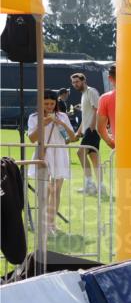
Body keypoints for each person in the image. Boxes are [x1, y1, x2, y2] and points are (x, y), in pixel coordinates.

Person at [27, 90, 74, 235]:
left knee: (56, 191)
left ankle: (52, 223)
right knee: (45, 190)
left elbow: (71, 137)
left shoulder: (63, 116)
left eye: (52, 104)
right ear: (41, 103)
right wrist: (43, 124)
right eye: (46, 103)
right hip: (43, 154)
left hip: (59, 154)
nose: (49, 106)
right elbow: (32, 138)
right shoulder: (34, 117)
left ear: (56, 104)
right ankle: (43, 223)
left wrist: (62, 124)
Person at [70, 72, 104, 196]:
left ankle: (90, 185)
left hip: (93, 130)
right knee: (94, 159)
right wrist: (78, 132)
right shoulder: (84, 95)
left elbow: (97, 109)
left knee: (80, 153)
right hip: (88, 130)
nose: (75, 84)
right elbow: (85, 117)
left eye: (77, 82)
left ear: (84, 81)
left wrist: (92, 125)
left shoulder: (91, 91)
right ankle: (100, 187)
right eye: (73, 82)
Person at [96, 64, 117, 151]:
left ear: (110, 78)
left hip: (123, 149)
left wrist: (111, 143)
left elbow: (100, 128)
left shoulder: (105, 98)